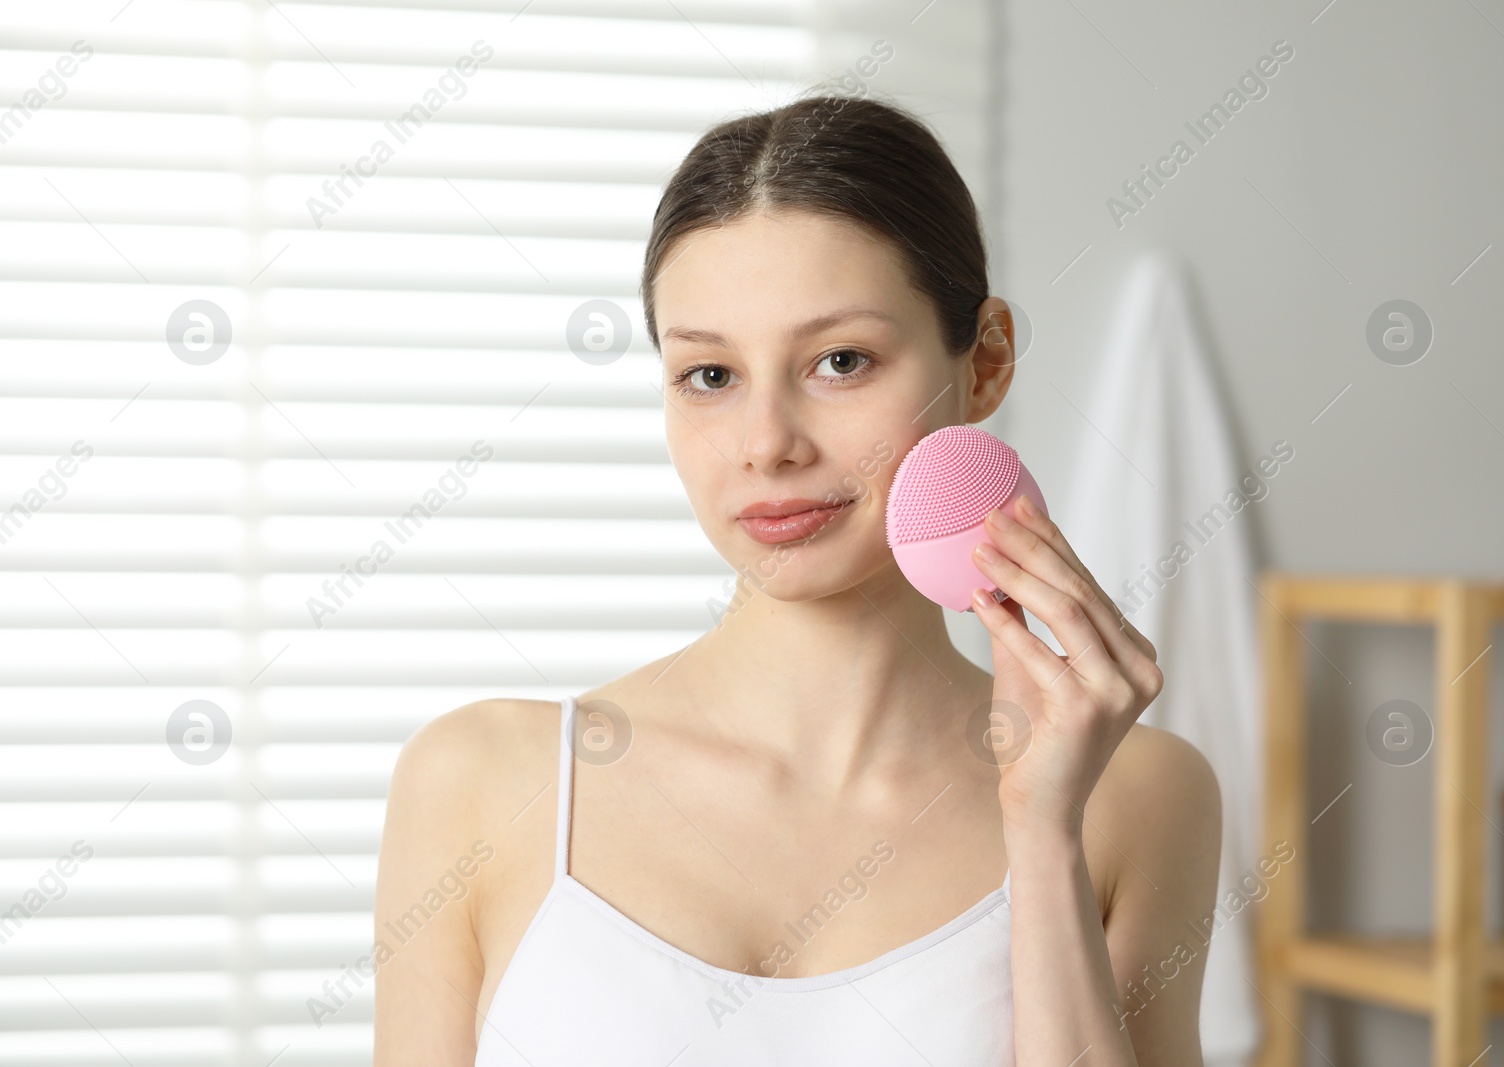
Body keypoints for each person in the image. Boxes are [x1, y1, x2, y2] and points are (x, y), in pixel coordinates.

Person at [373, 92, 1221, 1066]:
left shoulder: (1135, 796)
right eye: (710, 375)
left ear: (984, 360)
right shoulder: (480, 780)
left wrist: (1041, 835)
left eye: (839, 360)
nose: (766, 444)